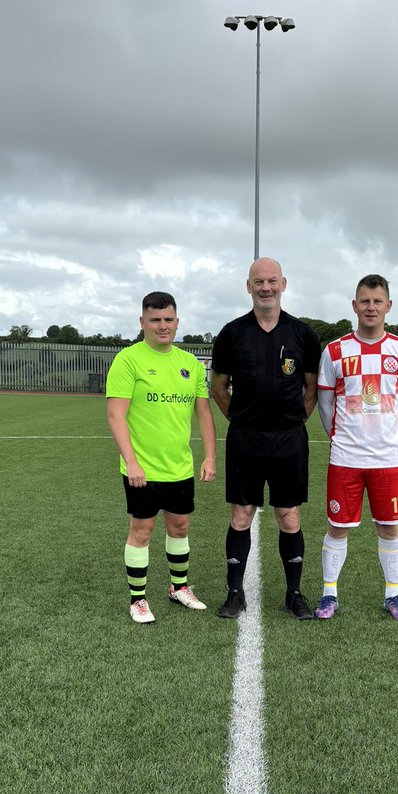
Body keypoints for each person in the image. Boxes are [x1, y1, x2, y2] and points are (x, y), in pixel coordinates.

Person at [210, 257, 322, 620]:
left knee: (288, 516)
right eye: (258, 282)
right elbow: (218, 387)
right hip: (246, 439)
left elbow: (311, 389)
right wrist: (241, 420)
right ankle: (234, 592)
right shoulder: (231, 333)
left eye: (272, 281)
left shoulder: (303, 334)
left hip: (289, 440)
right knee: (241, 514)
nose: (265, 288)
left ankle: (293, 594)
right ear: (248, 286)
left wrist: (293, 420)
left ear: (283, 284)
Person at [313, 274, 398, 622]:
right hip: (346, 456)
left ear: (388, 306)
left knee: (390, 527)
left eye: (377, 301)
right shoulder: (334, 351)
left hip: (388, 458)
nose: (370, 307)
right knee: (337, 527)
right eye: (364, 301)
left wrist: (386, 434)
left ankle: (393, 595)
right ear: (354, 306)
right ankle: (330, 594)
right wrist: (344, 436)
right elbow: (325, 406)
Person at [106, 291, 216, 623]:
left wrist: (210, 456)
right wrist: (132, 461)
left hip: (179, 466)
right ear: (142, 322)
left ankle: (178, 588)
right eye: (155, 320)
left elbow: (204, 414)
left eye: (168, 319)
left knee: (180, 526)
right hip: (142, 469)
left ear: (177, 322)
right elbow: (115, 415)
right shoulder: (128, 360)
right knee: (141, 529)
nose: (162, 326)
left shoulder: (190, 364)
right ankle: (138, 599)